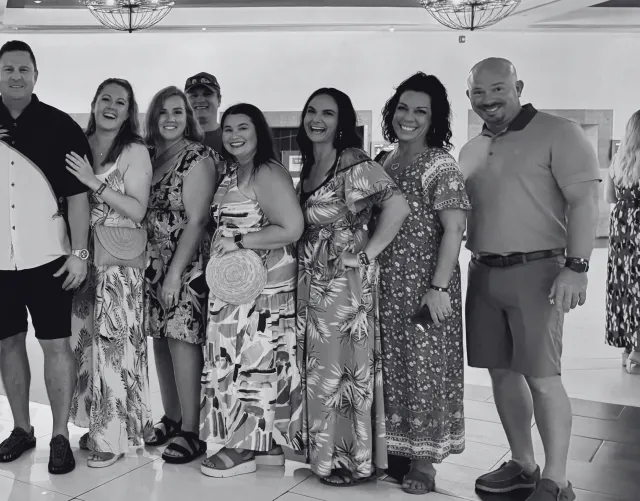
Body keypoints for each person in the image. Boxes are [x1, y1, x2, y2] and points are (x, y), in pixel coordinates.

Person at [460, 58, 601, 501]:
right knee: (501, 374)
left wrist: (577, 266)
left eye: (497, 89)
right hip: (482, 272)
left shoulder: (560, 132)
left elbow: (585, 202)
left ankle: (557, 480)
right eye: (478, 93)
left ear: (517, 86)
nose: (488, 100)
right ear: (469, 98)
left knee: (542, 376)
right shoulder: (470, 150)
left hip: (539, 271)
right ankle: (523, 463)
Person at [0, 40, 90, 475]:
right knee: (8, 342)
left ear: (35, 74)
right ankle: (21, 429)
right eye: (7, 69)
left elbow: (78, 196)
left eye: (23, 69)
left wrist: (80, 253)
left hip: (49, 257)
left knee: (55, 345)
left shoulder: (61, 126)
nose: (15, 76)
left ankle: (60, 434)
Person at [294, 87, 410, 487]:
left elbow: (398, 206)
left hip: (343, 282)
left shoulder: (352, 162)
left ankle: (350, 461)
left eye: (327, 113)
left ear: (342, 122)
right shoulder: (313, 163)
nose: (317, 119)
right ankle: (323, 454)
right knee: (319, 367)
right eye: (311, 111)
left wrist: (366, 255)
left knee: (342, 368)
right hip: (312, 279)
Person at [374, 72, 470, 495]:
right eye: (403, 108)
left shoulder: (439, 164)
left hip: (425, 286)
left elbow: (454, 229)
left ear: (435, 119)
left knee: (423, 370)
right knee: (390, 368)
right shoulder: (384, 161)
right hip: (384, 284)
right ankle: (393, 452)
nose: (408, 118)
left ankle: (425, 464)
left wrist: (439, 288)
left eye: (420, 111)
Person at [198, 103, 303, 478]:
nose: (234, 135)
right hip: (234, 288)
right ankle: (265, 445)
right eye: (228, 129)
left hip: (261, 292)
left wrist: (242, 239)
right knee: (238, 361)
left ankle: (242, 448)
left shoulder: (266, 172)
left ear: (259, 132)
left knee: (251, 366)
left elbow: (292, 227)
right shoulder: (233, 172)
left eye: (243, 127)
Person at [67, 78, 153, 468]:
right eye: (106, 98)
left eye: (121, 101)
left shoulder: (134, 150)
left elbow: (137, 210)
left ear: (129, 110)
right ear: (94, 101)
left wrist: (91, 183)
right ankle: (97, 424)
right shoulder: (80, 144)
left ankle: (113, 437)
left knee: (114, 349)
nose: (112, 106)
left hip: (118, 264)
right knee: (87, 347)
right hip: (84, 259)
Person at [142, 85, 216, 466]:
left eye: (178, 111)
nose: (170, 118)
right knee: (161, 339)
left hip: (185, 265)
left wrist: (174, 275)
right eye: (163, 112)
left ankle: (192, 430)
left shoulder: (198, 157)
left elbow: (199, 220)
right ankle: (171, 417)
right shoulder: (149, 155)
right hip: (151, 262)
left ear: (188, 117)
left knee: (183, 340)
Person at [606, 109, 640, 373]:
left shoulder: (618, 159)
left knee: (624, 287)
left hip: (622, 230)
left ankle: (628, 349)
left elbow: (610, 197)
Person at [185, 72, 225, 157]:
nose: (200, 100)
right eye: (193, 95)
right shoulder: (174, 140)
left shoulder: (231, 138)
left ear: (219, 100)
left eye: (207, 94)